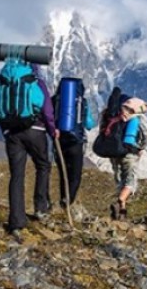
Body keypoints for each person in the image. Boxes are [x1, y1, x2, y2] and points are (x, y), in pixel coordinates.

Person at [0, 63, 59, 239]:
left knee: (16, 175)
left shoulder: (7, 83)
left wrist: (6, 130)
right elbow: (47, 109)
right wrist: (52, 129)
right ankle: (40, 208)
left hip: (12, 133)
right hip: (36, 131)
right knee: (43, 166)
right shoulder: (36, 82)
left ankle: (16, 222)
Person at [52, 77, 96, 209]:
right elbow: (89, 124)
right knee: (75, 175)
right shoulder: (82, 102)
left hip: (59, 142)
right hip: (76, 142)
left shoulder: (55, 100)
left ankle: (62, 200)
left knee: (63, 173)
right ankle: (68, 202)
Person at [106, 95, 147, 221]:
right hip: (130, 153)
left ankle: (122, 212)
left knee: (121, 181)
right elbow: (146, 134)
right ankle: (120, 201)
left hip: (115, 153)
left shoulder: (117, 117)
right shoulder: (137, 119)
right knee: (130, 182)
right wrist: (141, 148)